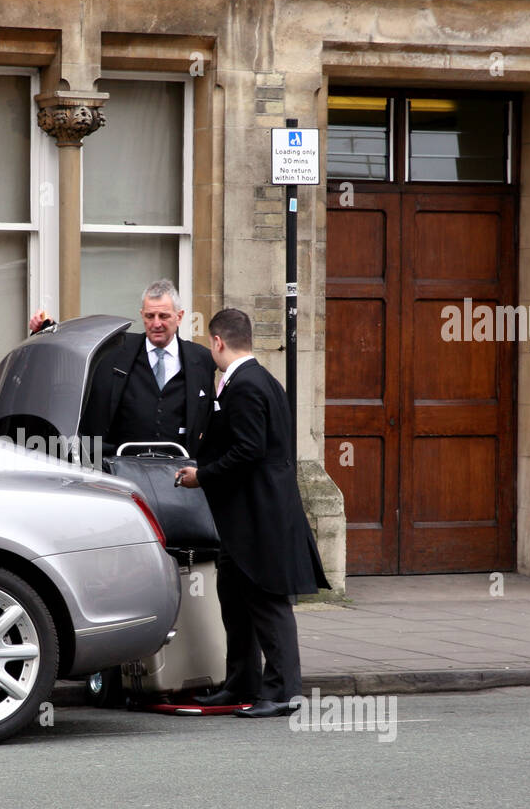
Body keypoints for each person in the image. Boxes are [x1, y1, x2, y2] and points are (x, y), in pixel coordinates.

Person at [174, 307, 329, 717]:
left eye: (211, 344)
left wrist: (201, 475)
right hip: (247, 518)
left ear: (218, 342)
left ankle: (282, 691)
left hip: (260, 516)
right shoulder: (263, 380)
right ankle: (242, 682)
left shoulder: (243, 386)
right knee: (235, 599)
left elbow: (249, 449)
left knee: (266, 601)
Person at [34, 280, 217, 459]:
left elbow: (211, 418)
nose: (156, 324)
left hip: (181, 472)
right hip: (122, 467)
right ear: (141, 314)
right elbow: (76, 349)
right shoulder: (115, 350)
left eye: (164, 316)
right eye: (149, 316)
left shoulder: (202, 359)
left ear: (180, 316)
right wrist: (46, 329)